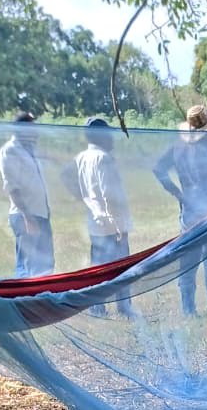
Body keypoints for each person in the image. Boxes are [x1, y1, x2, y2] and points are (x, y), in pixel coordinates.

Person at [153, 105, 207, 315]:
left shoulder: (177, 148)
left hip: (189, 213)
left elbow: (158, 169)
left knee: (188, 262)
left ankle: (189, 310)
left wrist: (179, 194)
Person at [73, 118, 136, 318]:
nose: (111, 137)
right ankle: (123, 307)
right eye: (107, 133)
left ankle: (97, 308)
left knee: (99, 267)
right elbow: (109, 194)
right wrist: (117, 224)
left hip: (96, 222)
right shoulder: (103, 158)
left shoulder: (82, 157)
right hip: (110, 224)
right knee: (120, 267)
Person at [0, 111, 54, 278]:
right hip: (25, 217)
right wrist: (27, 217)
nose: (35, 132)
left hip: (41, 214)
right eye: (32, 129)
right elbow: (12, 188)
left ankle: (42, 302)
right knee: (27, 269)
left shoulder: (31, 150)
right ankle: (23, 303)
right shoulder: (9, 150)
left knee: (45, 266)